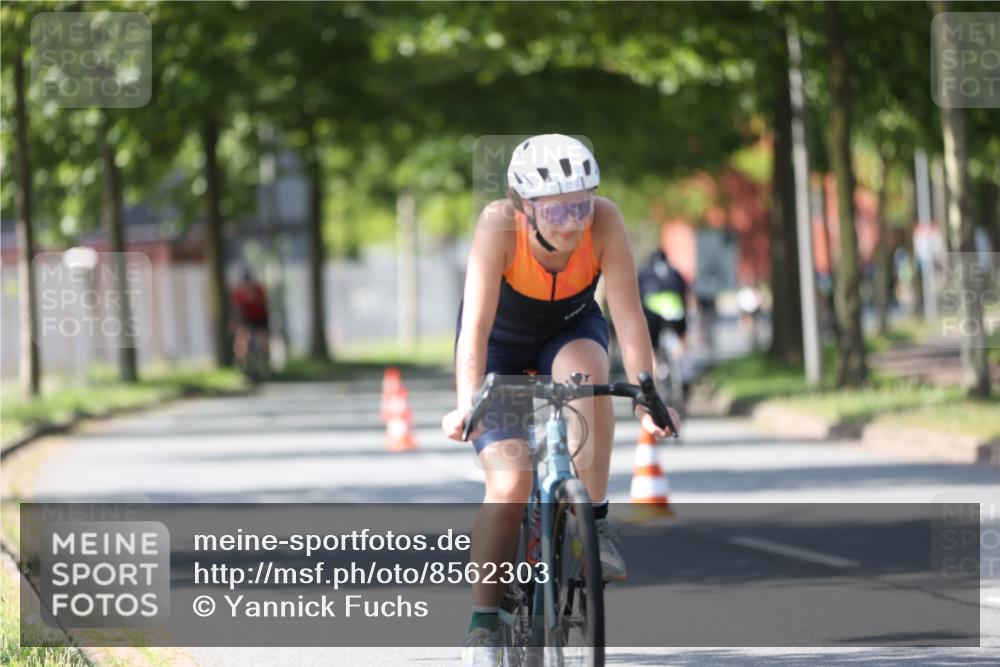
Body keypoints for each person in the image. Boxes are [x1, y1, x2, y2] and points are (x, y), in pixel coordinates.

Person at [440, 134, 680, 665]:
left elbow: (628, 314)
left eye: (582, 204)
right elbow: (474, 327)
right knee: (509, 485)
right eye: (556, 209)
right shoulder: (497, 225)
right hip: (500, 347)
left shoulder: (606, 220)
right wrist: (466, 403)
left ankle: (593, 520)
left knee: (591, 377)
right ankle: (483, 625)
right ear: (524, 206)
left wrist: (647, 393)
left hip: (569, 329)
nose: (573, 222)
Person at [638, 248, 690, 399]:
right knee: (682, 340)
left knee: (652, 348)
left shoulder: (644, 273)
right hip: (675, 308)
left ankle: (653, 380)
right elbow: (683, 293)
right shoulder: (675, 272)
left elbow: (639, 297)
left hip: (652, 310)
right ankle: (684, 371)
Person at [231, 269, 269, 369]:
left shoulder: (258, 290)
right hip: (246, 318)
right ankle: (241, 361)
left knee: (263, 338)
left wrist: (255, 299)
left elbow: (264, 304)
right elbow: (237, 309)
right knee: (241, 337)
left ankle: (264, 360)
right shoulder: (239, 292)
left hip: (260, 317)